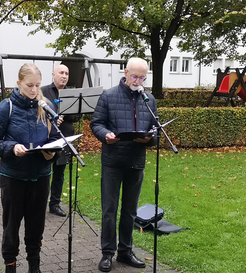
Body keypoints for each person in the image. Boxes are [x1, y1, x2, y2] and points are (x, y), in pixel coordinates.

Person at [0, 63, 60, 273]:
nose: (34, 90)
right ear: (18, 83)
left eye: (37, 85)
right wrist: (12, 148)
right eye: (29, 85)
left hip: (40, 175)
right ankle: (10, 266)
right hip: (14, 177)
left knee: (36, 226)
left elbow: (54, 138)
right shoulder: (6, 107)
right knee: (11, 226)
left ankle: (34, 266)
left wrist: (52, 151)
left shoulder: (46, 107)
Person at [90, 57, 158, 272]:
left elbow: (156, 129)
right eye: (135, 76)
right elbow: (96, 123)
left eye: (142, 77)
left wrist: (150, 139)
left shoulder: (149, 99)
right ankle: (107, 253)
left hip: (136, 161)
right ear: (126, 72)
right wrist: (105, 135)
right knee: (109, 210)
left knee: (129, 211)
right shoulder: (108, 96)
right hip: (113, 160)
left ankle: (125, 251)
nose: (138, 81)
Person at [41, 64, 81, 217]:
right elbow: (37, 113)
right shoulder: (44, 91)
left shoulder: (71, 94)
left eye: (67, 73)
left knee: (60, 173)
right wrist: (51, 119)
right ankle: (40, 202)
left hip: (65, 138)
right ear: (53, 74)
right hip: (47, 138)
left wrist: (65, 115)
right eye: (61, 73)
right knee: (45, 172)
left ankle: (55, 204)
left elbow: (77, 117)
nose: (64, 76)